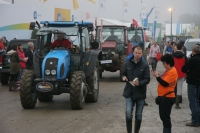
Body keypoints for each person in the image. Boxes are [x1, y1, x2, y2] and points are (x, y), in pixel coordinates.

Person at [122, 45, 150, 133]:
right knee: (128, 113)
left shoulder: (145, 65)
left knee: (138, 115)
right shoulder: (127, 63)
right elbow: (123, 74)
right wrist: (123, 77)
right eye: (136, 53)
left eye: (139, 53)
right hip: (129, 92)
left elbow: (147, 79)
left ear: (142, 54)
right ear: (133, 53)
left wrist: (139, 83)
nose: (137, 55)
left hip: (140, 93)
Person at [152, 54, 178, 133]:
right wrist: (159, 75)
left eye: (163, 63)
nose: (163, 64)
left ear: (168, 63)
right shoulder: (168, 71)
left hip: (167, 97)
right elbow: (164, 80)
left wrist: (157, 76)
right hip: (164, 97)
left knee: (165, 118)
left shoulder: (172, 72)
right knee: (163, 117)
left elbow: (165, 83)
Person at [182, 44, 200, 127]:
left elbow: (184, 69)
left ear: (193, 51)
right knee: (197, 101)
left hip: (192, 82)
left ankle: (195, 120)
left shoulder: (192, 59)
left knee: (193, 101)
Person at [172, 42, 187, 109]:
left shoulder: (173, 55)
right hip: (182, 73)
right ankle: (177, 104)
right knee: (179, 88)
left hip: (174, 73)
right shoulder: (184, 56)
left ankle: (172, 99)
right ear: (182, 47)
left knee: (173, 86)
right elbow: (186, 65)